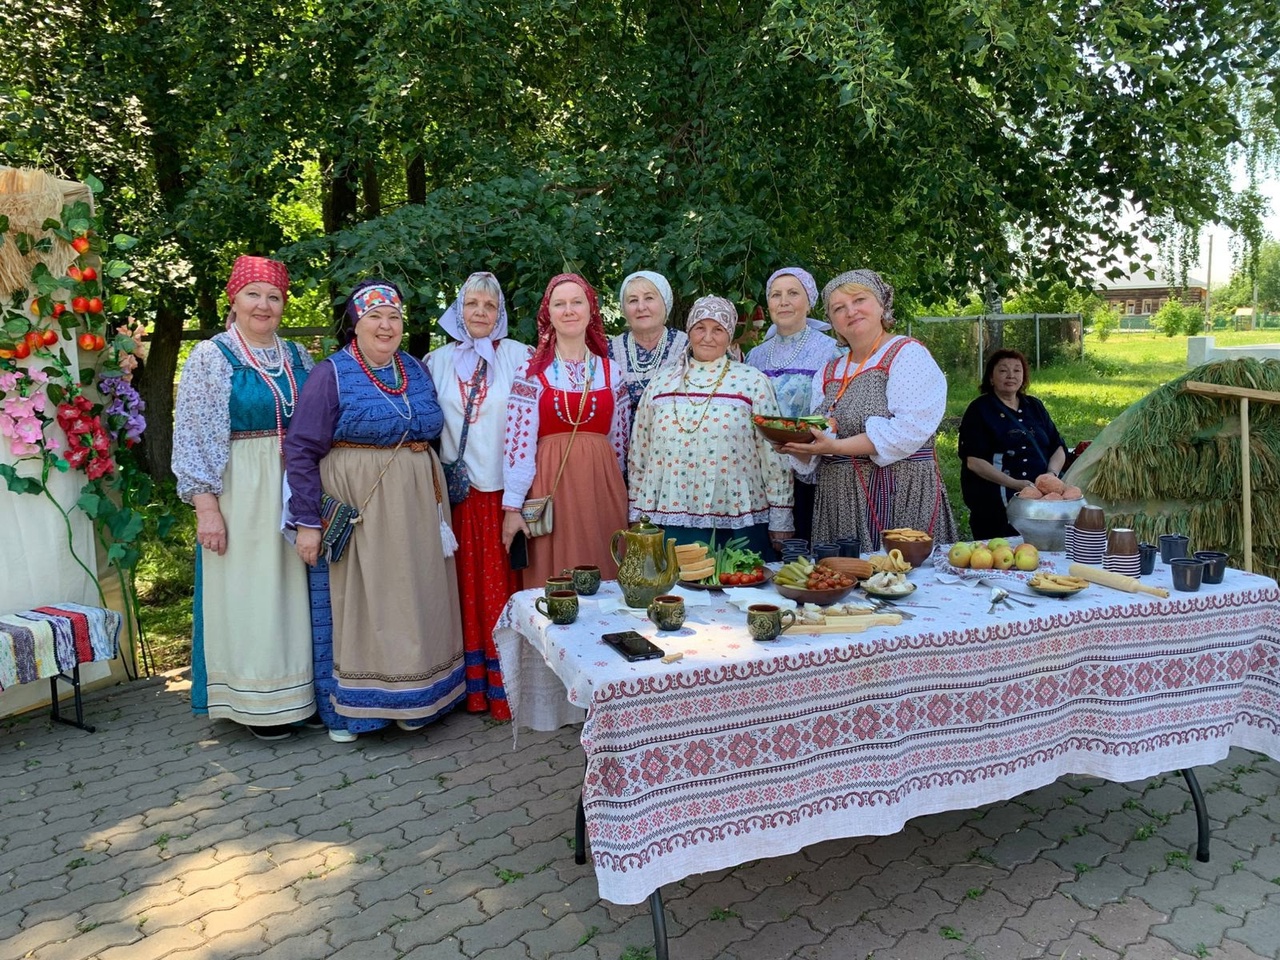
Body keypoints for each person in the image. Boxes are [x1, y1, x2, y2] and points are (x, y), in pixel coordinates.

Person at [285, 278, 465, 743]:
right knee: (364, 603)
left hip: (417, 505)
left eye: (394, 317)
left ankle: (419, 697)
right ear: (355, 324)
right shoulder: (331, 373)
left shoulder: (414, 369)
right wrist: (308, 522)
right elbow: (301, 449)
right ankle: (356, 712)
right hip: (361, 505)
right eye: (375, 317)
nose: (386, 326)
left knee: (414, 597)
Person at [173, 255, 317, 740]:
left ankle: (301, 694)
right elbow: (191, 436)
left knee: (297, 589)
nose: (264, 305)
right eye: (253, 294)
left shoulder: (298, 357)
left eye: (273, 296)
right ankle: (257, 703)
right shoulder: (212, 357)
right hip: (241, 490)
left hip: (294, 485)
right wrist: (207, 507)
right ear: (233, 299)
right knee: (252, 591)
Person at [782, 269, 958, 550]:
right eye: (839, 308)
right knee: (843, 584)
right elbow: (822, 434)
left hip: (899, 492)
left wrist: (835, 447)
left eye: (859, 300)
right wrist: (799, 444)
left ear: (881, 305)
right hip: (840, 501)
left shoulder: (906, 354)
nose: (850, 311)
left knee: (901, 583)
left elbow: (907, 431)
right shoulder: (828, 372)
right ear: (832, 322)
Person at [425, 272, 530, 722]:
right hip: (458, 497)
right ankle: (469, 690)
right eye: (473, 305)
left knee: (503, 591)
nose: (481, 313)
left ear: (500, 312)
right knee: (462, 590)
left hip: (504, 495)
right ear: (458, 311)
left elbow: (530, 429)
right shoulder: (435, 361)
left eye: (490, 305)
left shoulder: (520, 357)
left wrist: (519, 499)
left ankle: (507, 688)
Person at [629, 296, 794, 553]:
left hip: (738, 520)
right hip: (668, 519)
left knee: (741, 587)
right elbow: (640, 452)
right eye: (700, 328)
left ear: (729, 336)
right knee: (673, 591)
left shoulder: (752, 382)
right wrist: (636, 514)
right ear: (689, 331)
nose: (708, 337)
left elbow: (774, 453)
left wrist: (782, 515)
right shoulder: (661, 383)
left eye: (718, 329)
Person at [501, 274, 630, 586]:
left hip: (601, 488)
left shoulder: (613, 373)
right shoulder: (530, 373)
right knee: (556, 579)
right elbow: (518, 446)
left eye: (577, 302)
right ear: (549, 314)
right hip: (550, 489)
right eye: (560, 304)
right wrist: (512, 508)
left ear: (590, 311)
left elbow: (621, 445)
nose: (569, 310)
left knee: (607, 572)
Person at [745, 267, 840, 546]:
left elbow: (836, 409)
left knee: (806, 552)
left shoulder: (831, 350)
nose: (783, 301)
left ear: (809, 301)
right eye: (776, 295)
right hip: (765, 472)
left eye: (793, 293)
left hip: (811, 467)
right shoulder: (755, 356)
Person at [958, 348, 1067, 539]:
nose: (1011, 375)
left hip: (1040, 503)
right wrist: (1014, 484)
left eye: (1017, 370)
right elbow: (974, 461)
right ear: (991, 378)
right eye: (1003, 370)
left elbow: (1057, 446)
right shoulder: (980, 410)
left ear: (1023, 377)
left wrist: (1051, 476)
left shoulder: (1034, 406)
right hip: (995, 505)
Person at [607, 270, 688, 423]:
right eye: (633, 300)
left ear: (665, 302)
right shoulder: (608, 351)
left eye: (649, 298)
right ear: (624, 309)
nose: (641, 307)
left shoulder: (688, 347)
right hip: (622, 444)